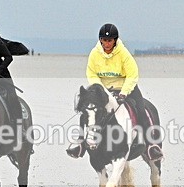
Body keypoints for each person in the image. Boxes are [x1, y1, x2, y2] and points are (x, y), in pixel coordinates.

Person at [66, 23, 163, 161]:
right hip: (103, 91)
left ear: (115, 40)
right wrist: (101, 91)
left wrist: (124, 92)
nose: (107, 44)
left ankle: (151, 145)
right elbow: (91, 73)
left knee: (142, 111)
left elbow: (132, 75)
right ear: (100, 40)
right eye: (104, 40)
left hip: (126, 89)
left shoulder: (123, 54)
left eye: (110, 40)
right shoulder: (94, 54)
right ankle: (80, 144)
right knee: (86, 111)